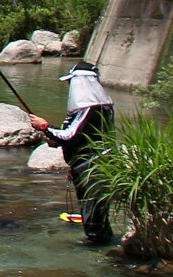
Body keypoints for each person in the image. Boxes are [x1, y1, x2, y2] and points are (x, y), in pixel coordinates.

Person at [29, 59, 115, 245]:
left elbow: (70, 136)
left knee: (93, 213)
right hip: (91, 165)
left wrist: (44, 126)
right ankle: (104, 247)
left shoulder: (90, 109)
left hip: (92, 167)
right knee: (96, 212)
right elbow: (78, 136)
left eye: (71, 82)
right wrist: (55, 139)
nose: (69, 86)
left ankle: (97, 253)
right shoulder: (100, 107)